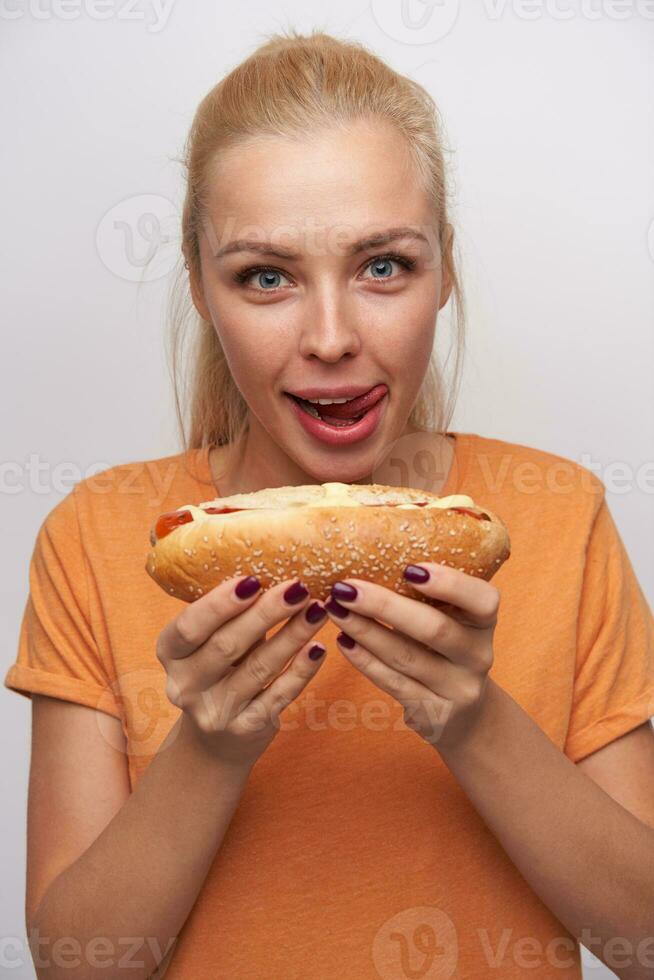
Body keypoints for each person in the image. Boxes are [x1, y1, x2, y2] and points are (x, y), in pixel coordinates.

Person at [5, 29, 654, 980]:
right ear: (199, 285)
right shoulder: (100, 537)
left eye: (383, 265)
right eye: (265, 276)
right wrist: (214, 748)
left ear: (445, 271)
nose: (332, 336)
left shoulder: (557, 512)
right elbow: (77, 964)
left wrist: (473, 722)